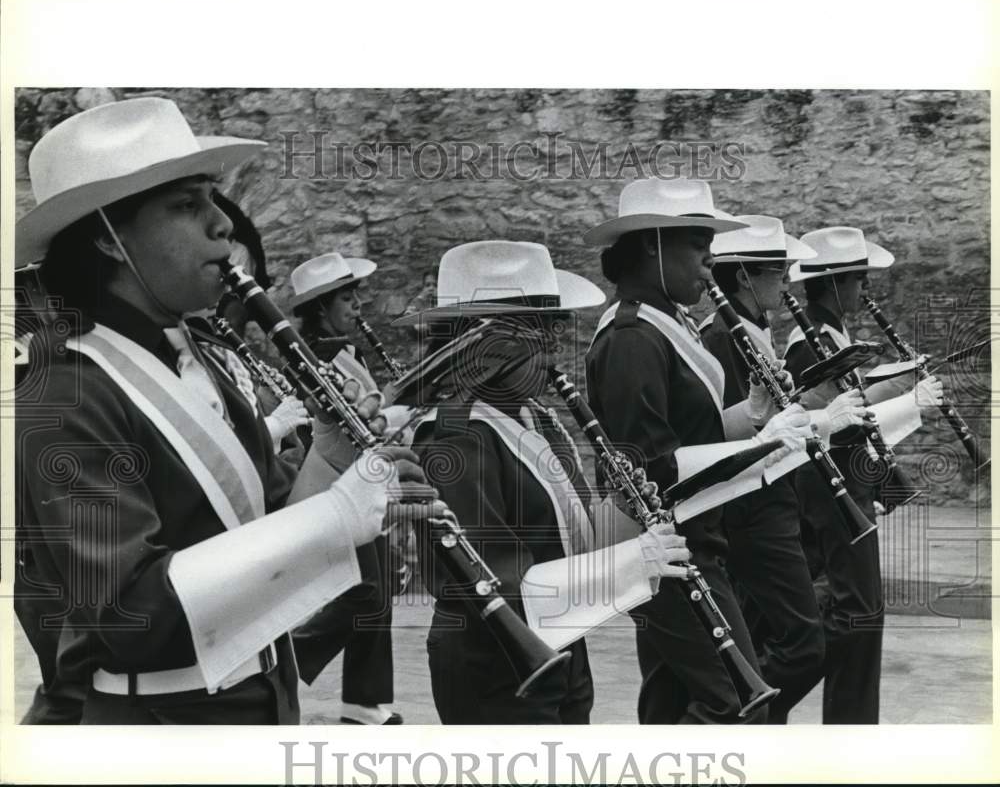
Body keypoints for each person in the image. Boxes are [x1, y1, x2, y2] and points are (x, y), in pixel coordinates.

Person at [14, 97, 430, 724]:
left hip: (261, 699)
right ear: (106, 236)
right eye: (187, 206)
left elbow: (265, 524)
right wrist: (339, 515)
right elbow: (134, 613)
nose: (223, 225)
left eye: (212, 200)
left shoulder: (198, 356)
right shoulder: (63, 389)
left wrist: (331, 456)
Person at [392, 239, 693, 724]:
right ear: (484, 341)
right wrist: (632, 564)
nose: (555, 346)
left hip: (560, 649)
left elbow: (568, 541)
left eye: (554, 329)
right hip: (495, 669)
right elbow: (498, 581)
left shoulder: (540, 420)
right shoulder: (455, 436)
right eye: (539, 331)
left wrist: (626, 515)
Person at [584, 178, 815, 724]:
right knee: (733, 706)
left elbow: (693, 436)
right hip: (669, 551)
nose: (709, 259)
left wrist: (756, 410)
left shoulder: (663, 322)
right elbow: (653, 468)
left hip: (695, 539)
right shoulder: (632, 336)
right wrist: (758, 450)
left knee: (670, 708)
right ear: (651, 244)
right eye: (695, 243)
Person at [698, 214, 865, 723]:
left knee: (769, 635)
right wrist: (816, 420)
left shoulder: (753, 332)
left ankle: (756, 728)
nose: (786, 278)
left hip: (771, 498)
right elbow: (730, 433)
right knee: (800, 645)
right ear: (745, 277)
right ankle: (740, 722)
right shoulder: (725, 337)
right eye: (776, 270)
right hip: (751, 506)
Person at [782, 226, 942, 724]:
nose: (864, 292)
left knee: (860, 615)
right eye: (859, 281)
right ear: (835, 284)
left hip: (847, 488)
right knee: (853, 613)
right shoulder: (808, 342)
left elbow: (850, 407)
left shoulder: (831, 334)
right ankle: (768, 694)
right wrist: (907, 400)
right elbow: (833, 424)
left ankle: (850, 726)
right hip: (827, 493)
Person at [287, 251, 406, 725]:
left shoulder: (344, 353)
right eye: (346, 298)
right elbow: (347, 424)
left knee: (376, 595)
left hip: (361, 484)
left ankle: (363, 702)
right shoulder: (315, 359)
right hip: (333, 488)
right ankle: (288, 659)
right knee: (365, 593)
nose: (357, 307)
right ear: (320, 308)